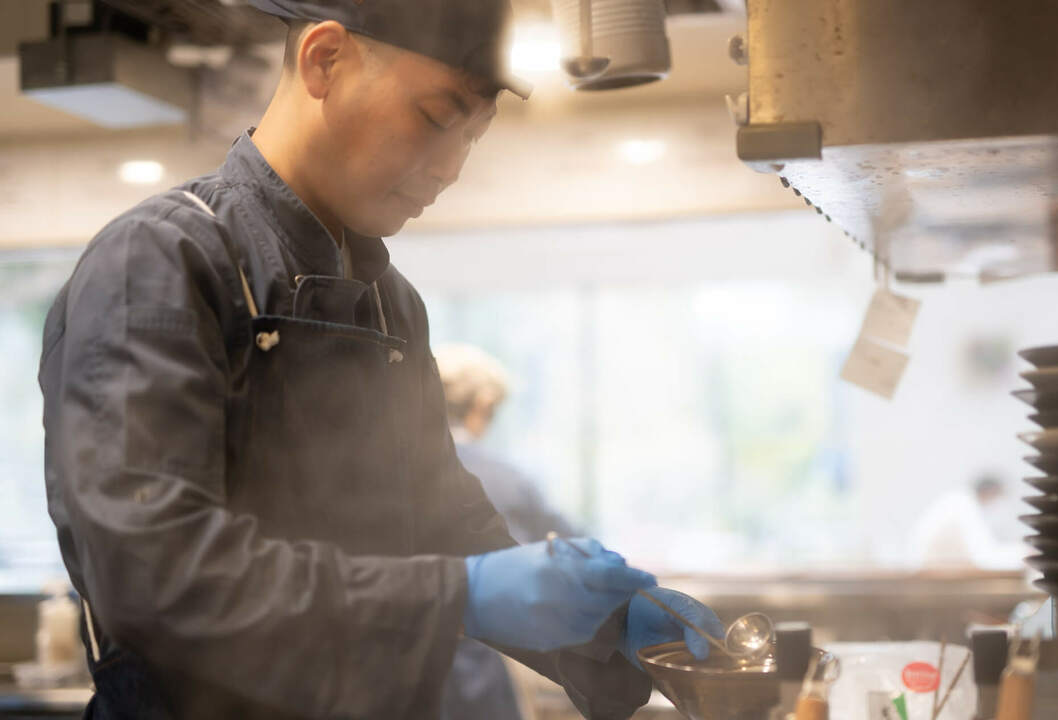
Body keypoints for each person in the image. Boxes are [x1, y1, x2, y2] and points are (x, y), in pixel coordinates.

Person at [37, 2, 723, 718]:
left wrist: (604, 625)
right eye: (434, 117)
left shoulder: (393, 305)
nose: (453, 167)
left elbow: (442, 524)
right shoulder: (160, 261)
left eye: (474, 135)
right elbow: (157, 574)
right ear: (324, 61)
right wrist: (466, 593)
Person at [434, 343, 580, 720]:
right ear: (482, 405)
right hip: (484, 665)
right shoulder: (505, 479)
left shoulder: (388, 477)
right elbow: (571, 550)